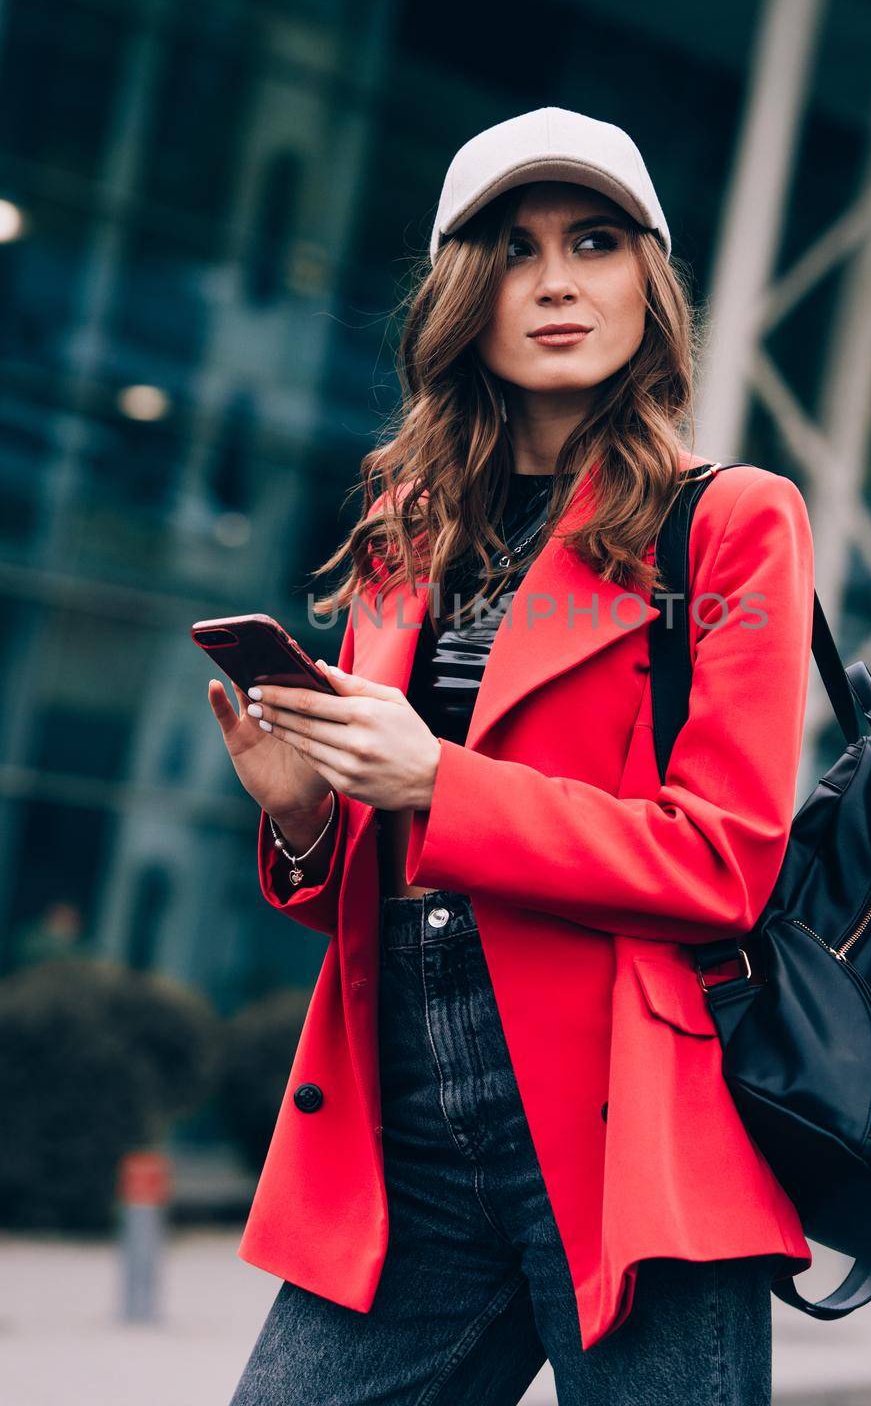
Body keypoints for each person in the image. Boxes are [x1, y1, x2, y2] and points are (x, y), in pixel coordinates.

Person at [211, 106, 816, 1404]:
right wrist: (309, 815)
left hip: (629, 1127)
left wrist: (435, 777)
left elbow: (727, 863)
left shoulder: (729, 524)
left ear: (643, 281)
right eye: (513, 248)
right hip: (406, 1131)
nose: (554, 281)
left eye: (594, 241)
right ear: (460, 296)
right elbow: (379, 887)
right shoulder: (406, 529)